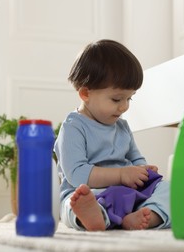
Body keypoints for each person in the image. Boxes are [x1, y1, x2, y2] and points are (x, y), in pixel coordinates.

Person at [54, 39, 170, 231]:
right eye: (117, 99)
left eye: (129, 98)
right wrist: (121, 174)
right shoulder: (73, 127)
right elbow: (76, 175)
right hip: (90, 193)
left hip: (128, 195)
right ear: (85, 94)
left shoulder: (122, 127)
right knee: (72, 205)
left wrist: (143, 170)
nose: (124, 106)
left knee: (168, 189)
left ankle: (147, 217)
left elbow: (136, 159)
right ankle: (95, 216)